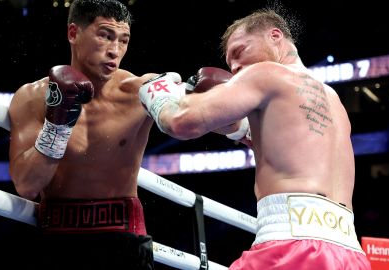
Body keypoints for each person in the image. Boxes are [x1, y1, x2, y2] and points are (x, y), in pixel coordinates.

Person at [138, 7, 371, 270]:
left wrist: (160, 95)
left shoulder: (265, 73)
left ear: (275, 36)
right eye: (230, 64)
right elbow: (268, 138)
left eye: (240, 51)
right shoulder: (333, 100)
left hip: (292, 248)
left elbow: (180, 122)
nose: (236, 67)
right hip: (351, 255)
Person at [8, 1, 156, 269]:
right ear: (73, 33)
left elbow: (194, 121)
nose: (115, 50)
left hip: (124, 240)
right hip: (56, 240)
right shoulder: (32, 98)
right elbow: (26, 186)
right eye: (105, 35)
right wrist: (58, 125)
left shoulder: (141, 92)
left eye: (124, 40)